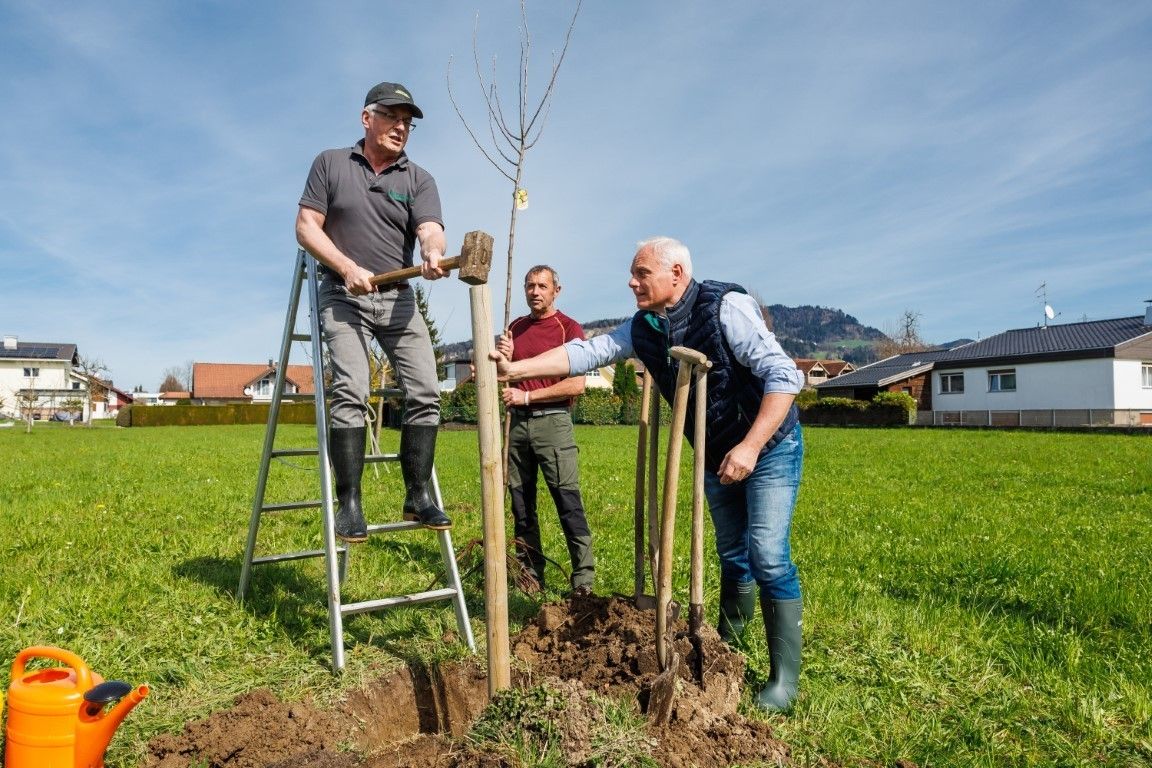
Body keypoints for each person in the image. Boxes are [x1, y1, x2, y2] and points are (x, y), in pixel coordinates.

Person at [491, 236, 806, 712]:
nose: (631, 281)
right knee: (732, 553)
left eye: (642, 273)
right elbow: (584, 354)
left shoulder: (725, 307)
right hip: (716, 449)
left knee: (766, 554)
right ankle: (730, 647)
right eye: (632, 273)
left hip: (770, 443)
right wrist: (515, 369)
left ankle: (784, 682)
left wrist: (751, 445)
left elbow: (785, 376)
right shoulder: (644, 327)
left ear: (675, 274)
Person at [296, 81, 452, 542]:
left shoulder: (418, 179)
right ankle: (349, 504)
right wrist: (346, 266)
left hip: (398, 297)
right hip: (344, 295)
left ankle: (418, 496)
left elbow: (431, 229)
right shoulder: (331, 164)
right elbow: (306, 227)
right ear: (367, 118)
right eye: (392, 116)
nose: (401, 126)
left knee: (426, 389)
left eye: (408, 121)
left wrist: (432, 251)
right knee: (352, 389)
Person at [499, 266, 595, 596]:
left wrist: (527, 394)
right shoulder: (514, 328)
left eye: (542, 286)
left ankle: (583, 577)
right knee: (521, 503)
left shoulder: (568, 328)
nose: (535, 291)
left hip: (553, 422)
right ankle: (529, 573)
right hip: (517, 425)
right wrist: (502, 361)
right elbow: (503, 374)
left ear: (557, 290)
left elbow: (577, 383)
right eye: (530, 286)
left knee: (567, 499)